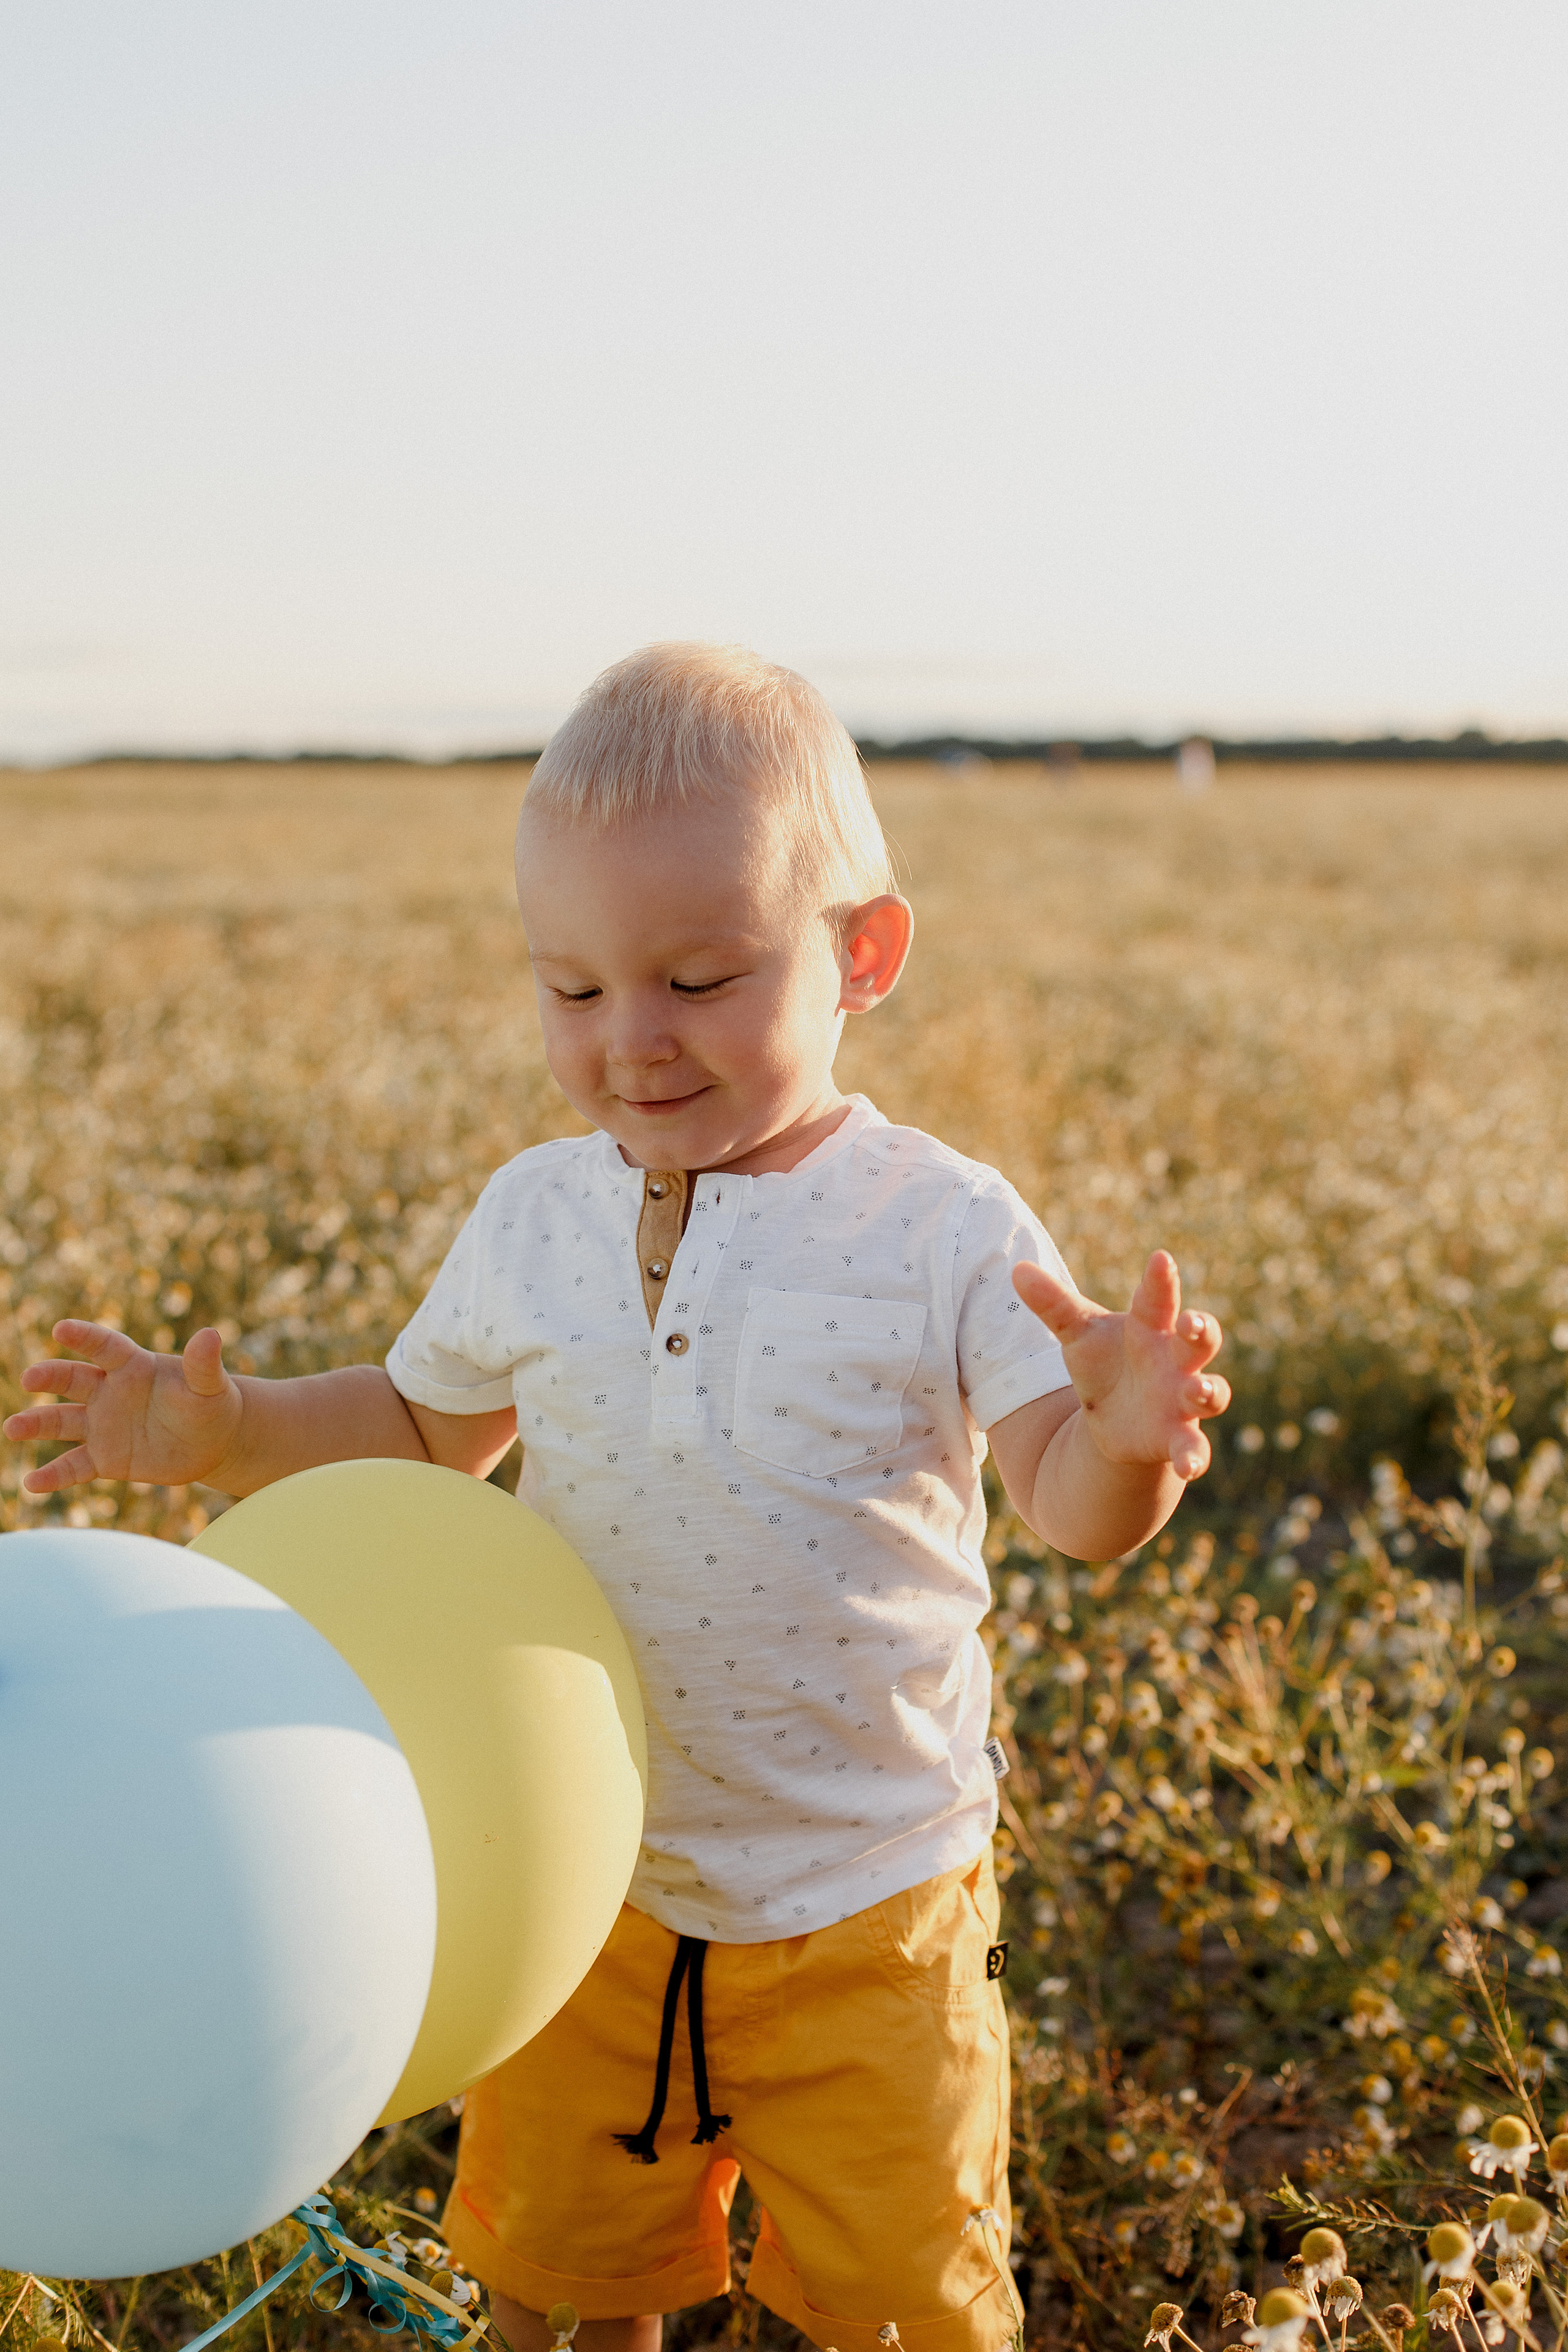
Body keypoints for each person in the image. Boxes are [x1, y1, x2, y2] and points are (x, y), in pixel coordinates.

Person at [4, 644, 1230, 2352]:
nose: (632, 1043)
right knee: (560, 2298)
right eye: (572, 993)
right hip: (591, 1889)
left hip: (870, 1909)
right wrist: (220, 1433)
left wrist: (1125, 1441)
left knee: (909, 2318)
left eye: (700, 979)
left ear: (863, 953)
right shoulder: (534, 1215)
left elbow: (1068, 1507)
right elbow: (425, 1437)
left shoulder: (944, 1226)